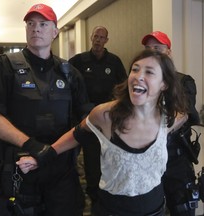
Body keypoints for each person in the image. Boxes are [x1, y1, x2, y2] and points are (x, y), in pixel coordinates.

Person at [16, 49, 189, 216]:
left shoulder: (169, 119)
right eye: (135, 70)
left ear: (164, 84)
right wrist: (44, 156)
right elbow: (78, 134)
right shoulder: (106, 115)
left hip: (155, 209)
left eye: (149, 72)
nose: (138, 76)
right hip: (112, 210)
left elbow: (184, 115)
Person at [0, 3, 92, 216]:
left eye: (42, 24)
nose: (35, 28)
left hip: (61, 169)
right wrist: (31, 145)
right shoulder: (4, 66)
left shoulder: (69, 72)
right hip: (20, 167)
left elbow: (86, 119)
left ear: (55, 32)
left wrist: (54, 150)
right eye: (30, 24)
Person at [68, 25, 127, 213]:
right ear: (91, 37)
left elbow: (123, 87)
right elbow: (68, 84)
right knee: (92, 161)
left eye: (102, 37)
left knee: (111, 158)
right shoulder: (78, 61)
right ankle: (94, 197)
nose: (98, 40)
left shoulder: (114, 61)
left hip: (110, 121)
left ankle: (109, 194)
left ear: (106, 40)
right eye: (96, 36)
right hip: (88, 120)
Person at [141, 31, 200, 216]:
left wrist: (157, 134)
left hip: (176, 161)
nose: (152, 52)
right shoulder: (140, 81)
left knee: (181, 209)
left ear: (169, 52)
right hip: (147, 161)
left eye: (157, 48)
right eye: (148, 49)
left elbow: (182, 114)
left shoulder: (183, 81)